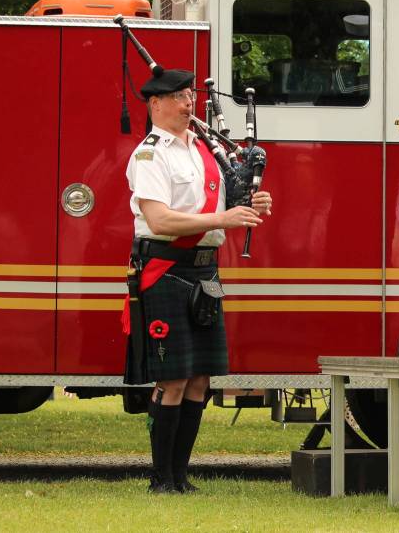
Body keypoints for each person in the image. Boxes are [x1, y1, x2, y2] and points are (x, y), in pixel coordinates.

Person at [122, 68, 272, 493]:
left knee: (199, 378)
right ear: (156, 104)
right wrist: (221, 217)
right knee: (171, 378)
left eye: (191, 96)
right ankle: (160, 478)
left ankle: (181, 477)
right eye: (181, 97)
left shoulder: (203, 149)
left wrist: (254, 202)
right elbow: (159, 218)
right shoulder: (150, 155)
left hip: (205, 270)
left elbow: (227, 203)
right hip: (166, 269)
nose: (190, 104)